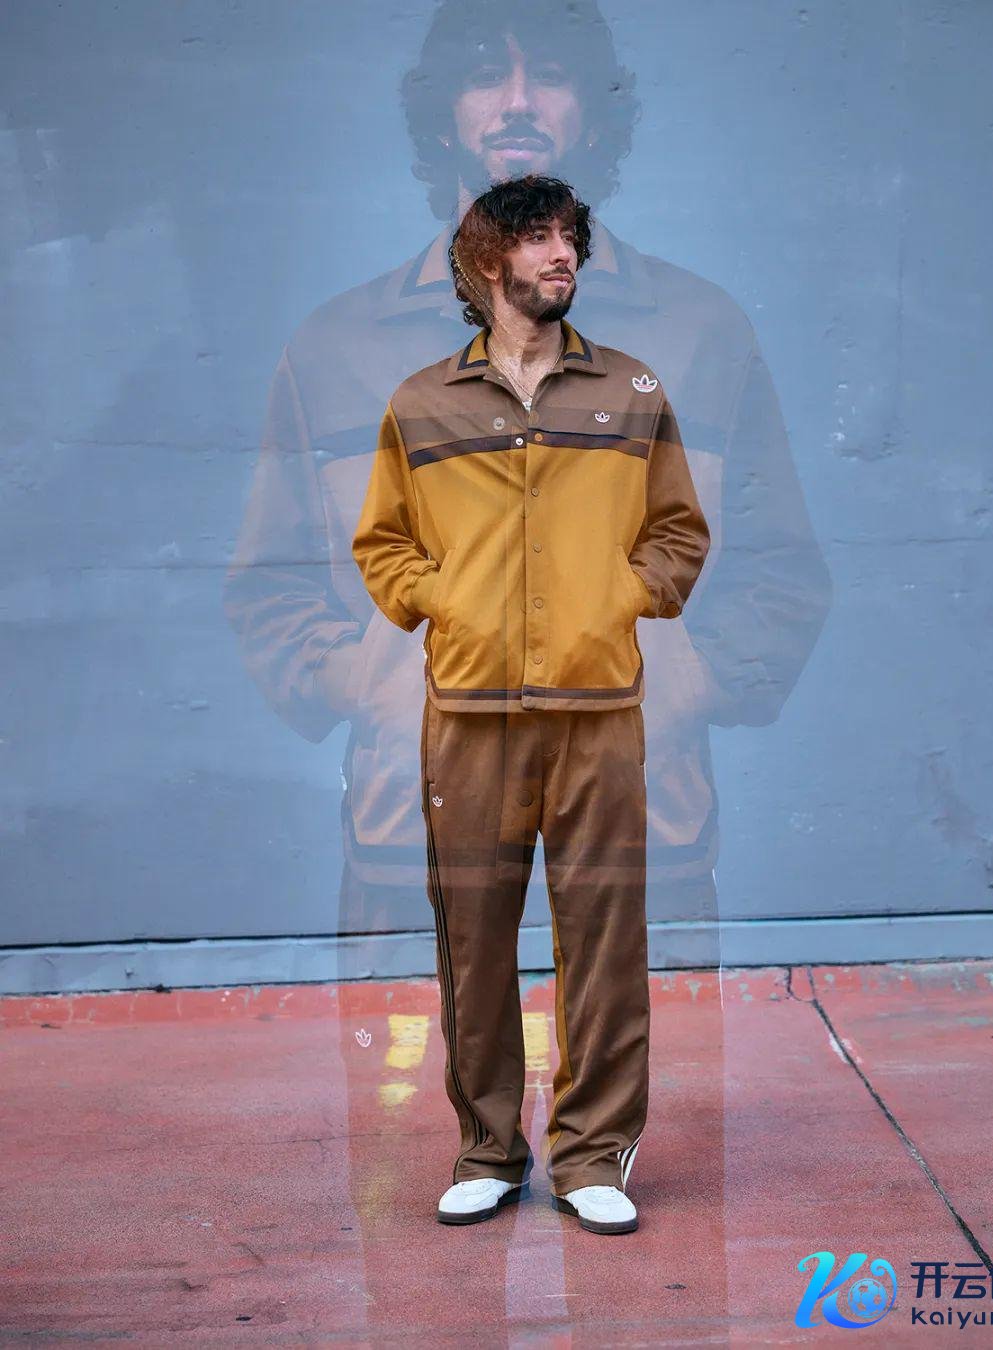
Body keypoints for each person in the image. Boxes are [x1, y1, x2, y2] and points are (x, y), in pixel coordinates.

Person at [351, 175, 710, 1234]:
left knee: (604, 938)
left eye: (570, 239)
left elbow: (679, 532)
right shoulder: (421, 403)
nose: (563, 256)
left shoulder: (632, 389)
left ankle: (593, 1154)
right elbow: (383, 544)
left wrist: (622, 598)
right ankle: (488, 1149)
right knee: (473, 939)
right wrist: (444, 602)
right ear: (486, 261)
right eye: (539, 238)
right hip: (468, 714)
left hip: (598, 710)